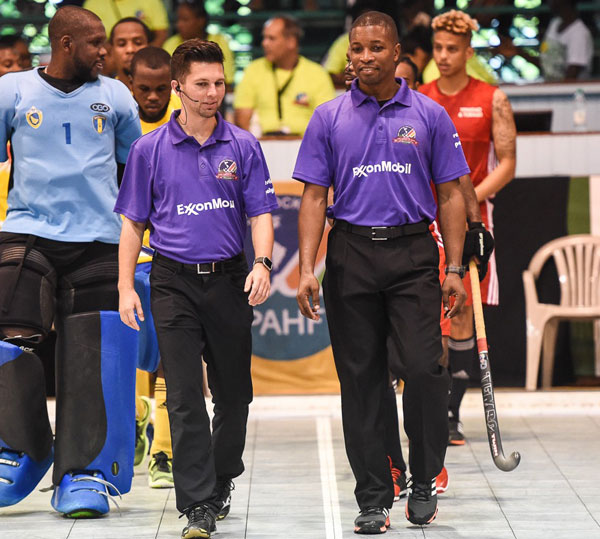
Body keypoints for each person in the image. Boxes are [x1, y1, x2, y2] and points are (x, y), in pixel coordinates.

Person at [295, 10, 470, 533]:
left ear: (397, 54)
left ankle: (422, 478)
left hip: (413, 255)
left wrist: (455, 266)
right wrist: (307, 266)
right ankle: (373, 495)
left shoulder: (430, 115)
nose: (365, 57)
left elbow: (451, 195)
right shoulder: (327, 117)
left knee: (423, 369)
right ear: (348, 55)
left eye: (376, 48)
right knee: (362, 381)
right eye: (357, 49)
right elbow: (312, 197)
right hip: (349, 254)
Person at [115, 39, 278, 539]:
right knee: (183, 397)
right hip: (172, 283)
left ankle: (222, 478)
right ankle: (197, 506)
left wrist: (264, 264)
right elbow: (131, 225)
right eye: (201, 84)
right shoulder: (148, 151)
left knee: (235, 396)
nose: (212, 93)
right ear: (177, 87)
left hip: (228, 280)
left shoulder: (244, 146)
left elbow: (262, 214)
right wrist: (125, 286)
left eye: (219, 82)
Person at [0, 5, 141, 517]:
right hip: (26, 232)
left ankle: (84, 472)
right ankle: (23, 450)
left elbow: (138, 170)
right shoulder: (11, 90)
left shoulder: (116, 95)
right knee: (8, 339)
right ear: (65, 44)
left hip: (99, 239)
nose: (105, 52)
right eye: (96, 43)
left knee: (95, 355)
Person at [420, 9, 515, 445]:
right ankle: (430, 405)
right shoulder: (418, 97)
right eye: (437, 48)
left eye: (451, 49)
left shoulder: (492, 97)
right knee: (430, 316)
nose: (442, 56)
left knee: (461, 313)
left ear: (467, 52)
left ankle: (451, 414)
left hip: (475, 218)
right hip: (427, 216)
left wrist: (470, 202)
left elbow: (508, 163)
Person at [128, 46, 182, 488]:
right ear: (130, 86)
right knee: (128, 356)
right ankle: (134, 420)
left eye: (160, 88)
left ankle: (163, 453)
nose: (152, 96)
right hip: (129, 260)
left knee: (170, 361)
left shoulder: (188, 124)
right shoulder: (117, 126)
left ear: (175, 86)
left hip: (171, 262)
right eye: (143, 88)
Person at [234, 15, 335, 136]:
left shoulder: (317, 73)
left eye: (271, 38)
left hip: (305, 146)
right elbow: (242, 119)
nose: (264, 43)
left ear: (291, 42)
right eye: (264, 38)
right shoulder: (253, 70)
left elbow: (327, 121)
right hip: (262, 145)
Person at [496, 0, 593, 81]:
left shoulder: (579, 33)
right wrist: (518, 52)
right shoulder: (555, 23)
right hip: (551, 89)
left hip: (568, 96)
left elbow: (572, 75)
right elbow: (547, 65)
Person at [162, 0, 235, 88]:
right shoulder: (171, 43)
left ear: (201, 21)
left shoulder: (219, 41)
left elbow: (226, 82)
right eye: (178, 20)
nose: (179, 24)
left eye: (185, 20)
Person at [83, 0, 169, 47]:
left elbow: (161, 33)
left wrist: (146, 53)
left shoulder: (150, 2)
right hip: (108, 57)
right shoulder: (93, 3)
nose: (129, 50)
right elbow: (88, 37)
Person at [110, 17, 151, 88]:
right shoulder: (102, 95)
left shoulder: (173, 95)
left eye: (138, 43)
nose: (130, 49)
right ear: (111, 52)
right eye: (121, 44)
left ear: (150, 48)